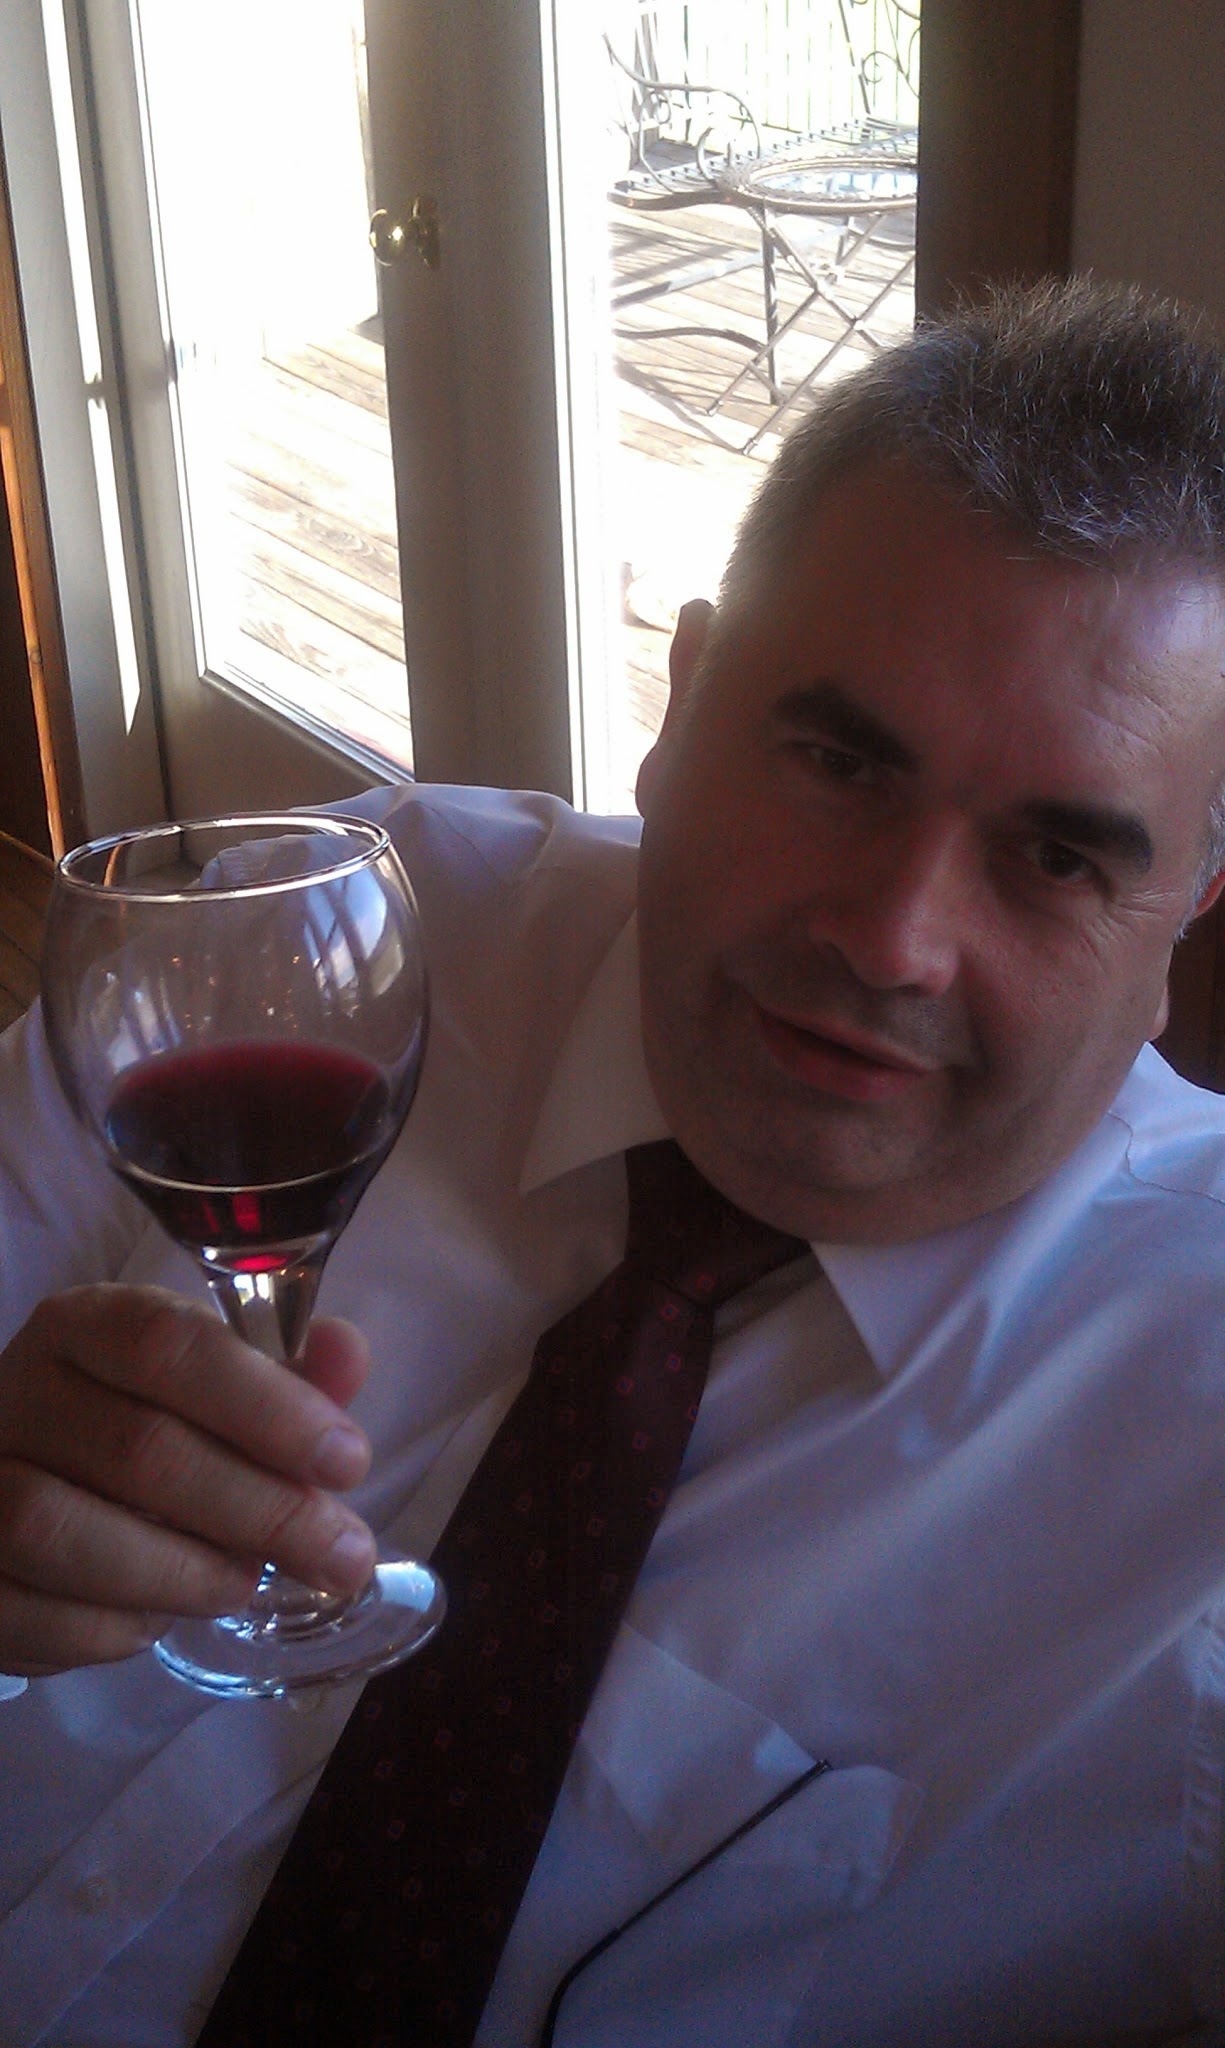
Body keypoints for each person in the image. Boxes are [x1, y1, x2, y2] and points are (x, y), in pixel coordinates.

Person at [5, 276, 1225, 2046]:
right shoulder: (323, 956)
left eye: (1055, 858)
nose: (892, 939)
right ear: (681, 699)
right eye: (835, 761)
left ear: (1185, 904)